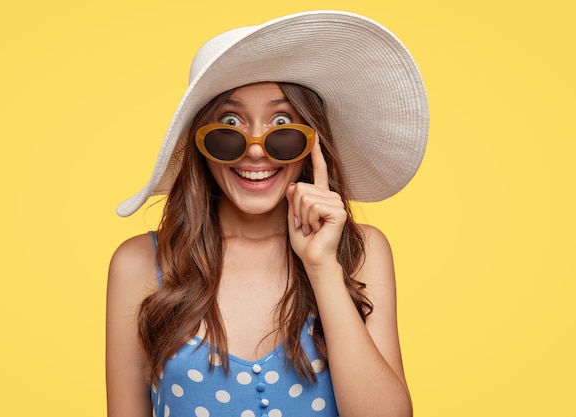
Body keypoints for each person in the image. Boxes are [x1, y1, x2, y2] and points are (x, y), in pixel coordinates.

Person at [106, 10, 428, 417]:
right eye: (229, 123)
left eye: (281, 123)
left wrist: (322, 266)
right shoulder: (137, 265)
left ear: (313, 144)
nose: (255, 149)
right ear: (200, 144)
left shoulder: (361, 253)